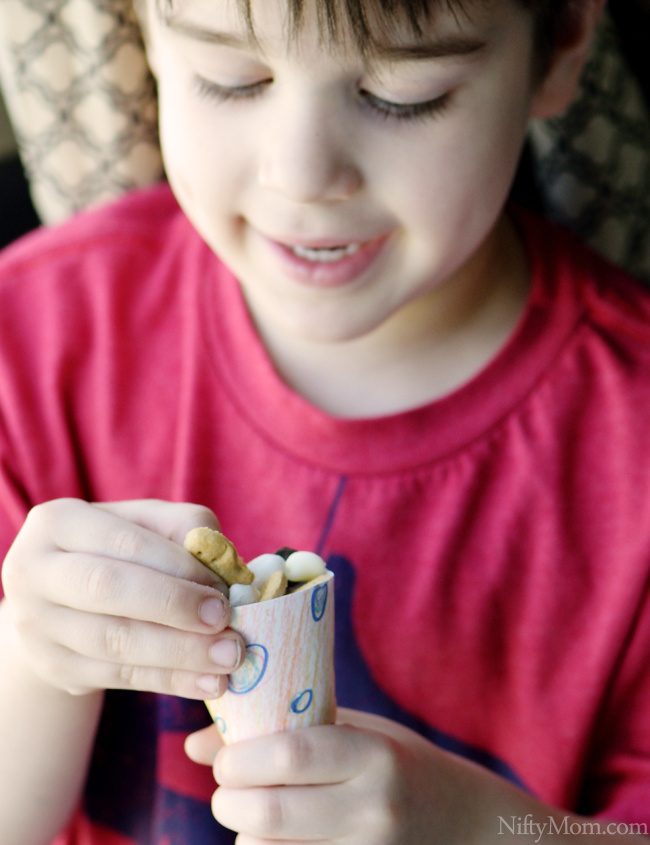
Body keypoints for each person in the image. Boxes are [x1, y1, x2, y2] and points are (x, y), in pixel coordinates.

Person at [1, 0, 649, 843]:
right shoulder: (34, 342)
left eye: (401, 96)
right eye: (230, 79)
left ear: (560, 46)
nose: (301, 174)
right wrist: (35, 660)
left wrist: (488, 830)